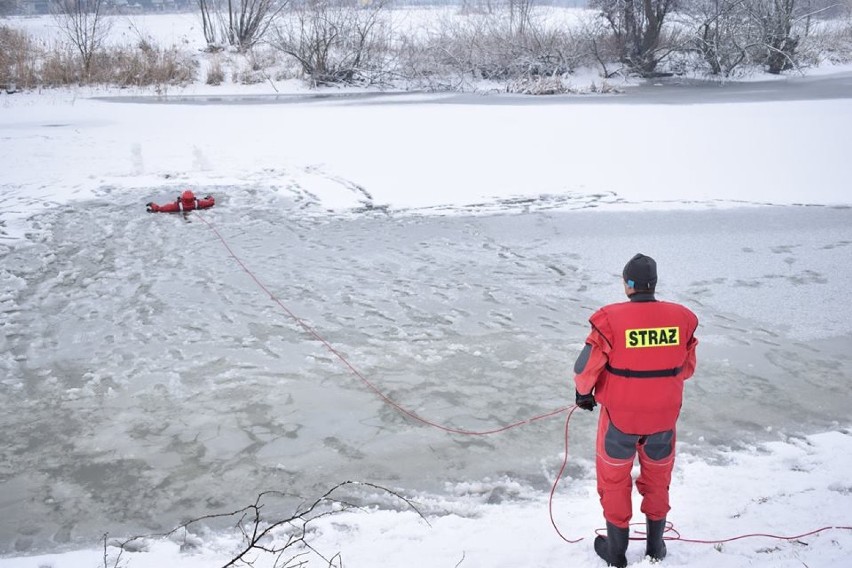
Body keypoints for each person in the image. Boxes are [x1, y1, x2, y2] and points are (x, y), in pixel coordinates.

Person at [573, 253, 698, 567]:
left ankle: (616, 553)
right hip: (663, 420)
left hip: (620, 421)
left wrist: (583, 394)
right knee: (658, 478)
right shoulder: (682, 318)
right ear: (652, 284)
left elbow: (584, 368)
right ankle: (656, 547)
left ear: (627, 285)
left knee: (614, 480)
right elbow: (687, 369)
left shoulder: (609, 319)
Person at [146, 190, 215, 213]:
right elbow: (211, 202)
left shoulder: (176, 206)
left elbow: (159, 209)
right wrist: (209, 197)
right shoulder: (199, 203)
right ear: (193, 198)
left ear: (183, 198)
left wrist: (152, 204)